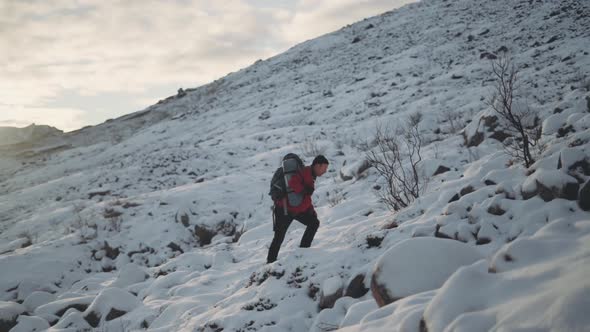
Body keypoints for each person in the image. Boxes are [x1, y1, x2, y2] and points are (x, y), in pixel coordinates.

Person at [267, 155, 329, 263]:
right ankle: (270, 263)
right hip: (284, 209)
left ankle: (302, 253)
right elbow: (293, 183)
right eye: (324, 168)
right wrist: (304, 190)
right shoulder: (305, 172)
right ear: (318, 165)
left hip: (295, 209)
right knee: (279, 237)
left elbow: (305, 198)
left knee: (313, 223)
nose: (325, 171)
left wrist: (311, 211)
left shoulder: (309, 174)